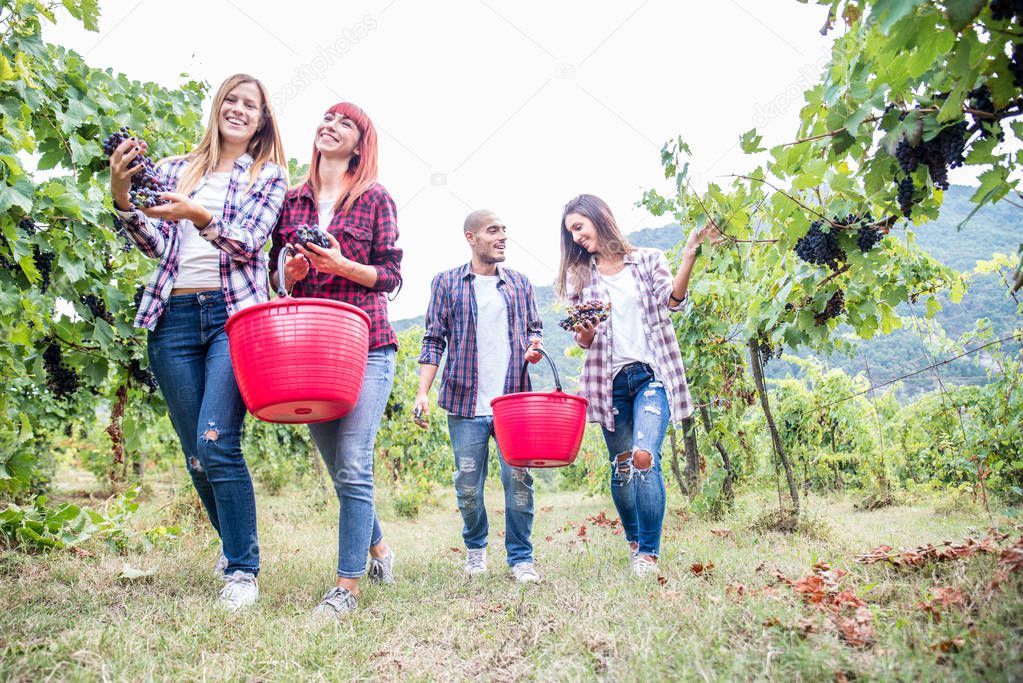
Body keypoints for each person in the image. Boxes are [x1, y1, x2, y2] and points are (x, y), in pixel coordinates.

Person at [108, 74, 289, 609]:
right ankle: (233, 544)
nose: (238, 110)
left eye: (250, 105)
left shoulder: (267, 175)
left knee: (216, 441)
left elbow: (249, 243)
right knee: (194, 456)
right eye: (230, 100)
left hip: (233, 318)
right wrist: (122, 194)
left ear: (261, 119)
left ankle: (241, 570)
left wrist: (198, 214)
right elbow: (152, 240)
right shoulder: (172, 169)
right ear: (218, 108)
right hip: (174, 316)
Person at [269, 102, 402, 620]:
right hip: (311, 351)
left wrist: (344, 264)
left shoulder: (374, 198)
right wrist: (293, 272)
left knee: (352, 463)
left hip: (368, 346)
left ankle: (347, 586)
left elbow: (390, 276)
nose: (331, 125)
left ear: (359, 142)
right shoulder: (291, 200)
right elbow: (277, 279)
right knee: (342, 470)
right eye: (327, 117)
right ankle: (382, 551)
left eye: (345, 122)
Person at [555, 194, 715, 577]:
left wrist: (690, 255)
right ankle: (632, 541)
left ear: (598, 218)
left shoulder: (648, 259)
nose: (576, 237)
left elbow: (672, 301)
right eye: (570, 232)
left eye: (579, 226)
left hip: (651, 375)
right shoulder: (582, 276)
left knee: (645, 455)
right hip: (608, 384)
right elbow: (583, 340)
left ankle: (648, 553)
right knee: (623, 466)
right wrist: (586, 333)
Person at [414, 209, 544, 583]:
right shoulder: (447, 283)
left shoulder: (520, 284)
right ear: (471, 237)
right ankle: (475, 550)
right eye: (493, 231)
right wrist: (423, 391)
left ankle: (521, 558)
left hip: (513, 403)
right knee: (467, 484)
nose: (502, 236)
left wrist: (534, 347)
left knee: (519, 481)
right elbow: (433, 339)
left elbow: (534, 330)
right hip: (464, 403)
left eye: (505, 230)